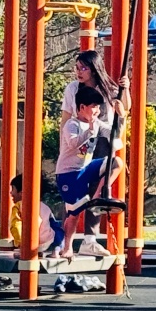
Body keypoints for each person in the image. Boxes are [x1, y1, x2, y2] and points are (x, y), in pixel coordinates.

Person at [55, 86, 117, 260]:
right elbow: (73, 144)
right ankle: (67, 247)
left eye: (98, 107)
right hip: (68, 174)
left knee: (115, 162)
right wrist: (90, 130)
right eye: (93, 107)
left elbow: (112, 133)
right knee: (74, 213)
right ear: (82, 107)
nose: (97, 111)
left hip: (85, 168)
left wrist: (120, 115)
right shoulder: (71, 125)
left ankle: (99, 195)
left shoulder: (96, 123)